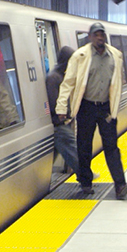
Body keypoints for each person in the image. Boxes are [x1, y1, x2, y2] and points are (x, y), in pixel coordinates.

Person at [56, 22, 127, 199]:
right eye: (96, 34)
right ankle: (86, 183)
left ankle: (120, 185)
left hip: (106, 107)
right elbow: (69, 82)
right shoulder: (79, 56)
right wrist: (61, 107)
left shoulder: (115, 56)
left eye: (102, 34)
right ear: (90, 37)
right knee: (84, 146)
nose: (100, 37)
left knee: (111, 146)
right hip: (86, 107)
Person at [46, 46, 82, 178]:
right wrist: (65, 113)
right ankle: (85, 176)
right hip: (58, 124)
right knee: (73, 150)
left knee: (50, 157)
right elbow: (54, 102)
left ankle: (44, 179)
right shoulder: (53, 77)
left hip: (62, 122)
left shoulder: (60, 75)